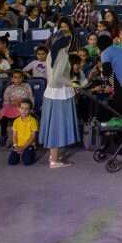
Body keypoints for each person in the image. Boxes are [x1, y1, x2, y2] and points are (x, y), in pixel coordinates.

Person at [39, 28, 81, 168]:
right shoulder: (62, 54)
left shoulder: (51, 53)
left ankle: (55, 155)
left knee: (53, 126)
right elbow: (57, 78)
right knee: (57, 127)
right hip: (60, 95)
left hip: (50, 94)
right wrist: (73, 83)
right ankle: (54, 160)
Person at [0, 69, 33, 147]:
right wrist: (12, 103)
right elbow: (6, 100)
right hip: (12, 107)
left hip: (23, 107)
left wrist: (22, 102)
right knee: (3, 115)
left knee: (22, 115)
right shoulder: (9, 88)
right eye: (15, 77)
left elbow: (30, 98)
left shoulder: (26, 86)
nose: (17, 79)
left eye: (19, 77)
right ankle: (3, 134)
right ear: (12, 79)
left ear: (23, 78)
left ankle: (21, 138)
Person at [8, 99, 38, 166]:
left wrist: (23, 147)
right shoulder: (16, 121)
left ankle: (31, 153)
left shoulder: (33, 121)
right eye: (22, 108)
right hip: (18, 145)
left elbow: (33, 136)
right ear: (19, 109)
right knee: (11, 162)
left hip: (28, 145)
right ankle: (20, 154)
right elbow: (14, 135)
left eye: (26, 109)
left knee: (27, 162)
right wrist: (15, 145)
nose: (24, 111)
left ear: (30, 110)